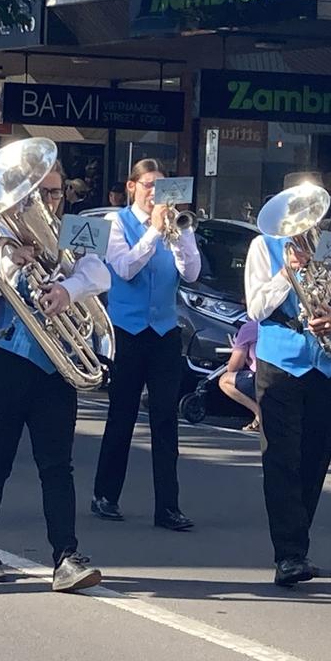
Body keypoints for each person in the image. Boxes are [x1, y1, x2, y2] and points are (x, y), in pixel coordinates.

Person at [0, 157, 107, 593]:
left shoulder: (74, 230)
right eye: (37, 194)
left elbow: (98, 272)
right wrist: (9, 265)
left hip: (54, 361)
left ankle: (66, 558)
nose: (45, 202)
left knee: (57, 463)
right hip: (1, 354)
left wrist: (67, 289)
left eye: (54, 193)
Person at [245, 202, 331, 587]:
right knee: (281, 459)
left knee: (315, 458)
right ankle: (289, 554)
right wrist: (289, 271)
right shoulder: (262, 247)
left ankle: (298, 543)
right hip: (280, 362)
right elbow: (256, 307)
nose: (306, 226)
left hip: (327, 364)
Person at [92, 158, 201, 531]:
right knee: (121, 414)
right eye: (149, 185)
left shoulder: (173, 223)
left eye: (161, 186)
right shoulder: (115, 223)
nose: (156, 192)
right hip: (127, 330)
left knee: (166, 419)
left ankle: (168, 507)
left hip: (164, 331)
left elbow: (192, 273)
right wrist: (153, 232)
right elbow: (123, 268)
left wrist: (180, 235)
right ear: (133, 186)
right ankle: (105, 494)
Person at [218, 319, 260, 431]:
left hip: (262, 378)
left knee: (224, 380)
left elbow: (234, 367)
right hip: (292, 377)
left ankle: (258, 412)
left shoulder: (249, 328)